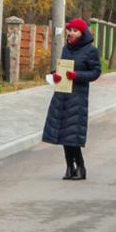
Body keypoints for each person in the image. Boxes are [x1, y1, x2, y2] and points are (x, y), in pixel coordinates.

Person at [43, 18, 103, 181]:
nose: (71, 33)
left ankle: (81, 168)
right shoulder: (66, 49)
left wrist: (77, 76)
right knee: (64, 134)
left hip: (78, 96)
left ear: (82, 33)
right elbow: (63, 68)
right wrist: (55, 74)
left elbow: (96, 72)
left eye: (75, 31)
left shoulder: (91, 51)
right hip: (62, 95)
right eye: (70, 30)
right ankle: (70, 168)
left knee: (73, 136)